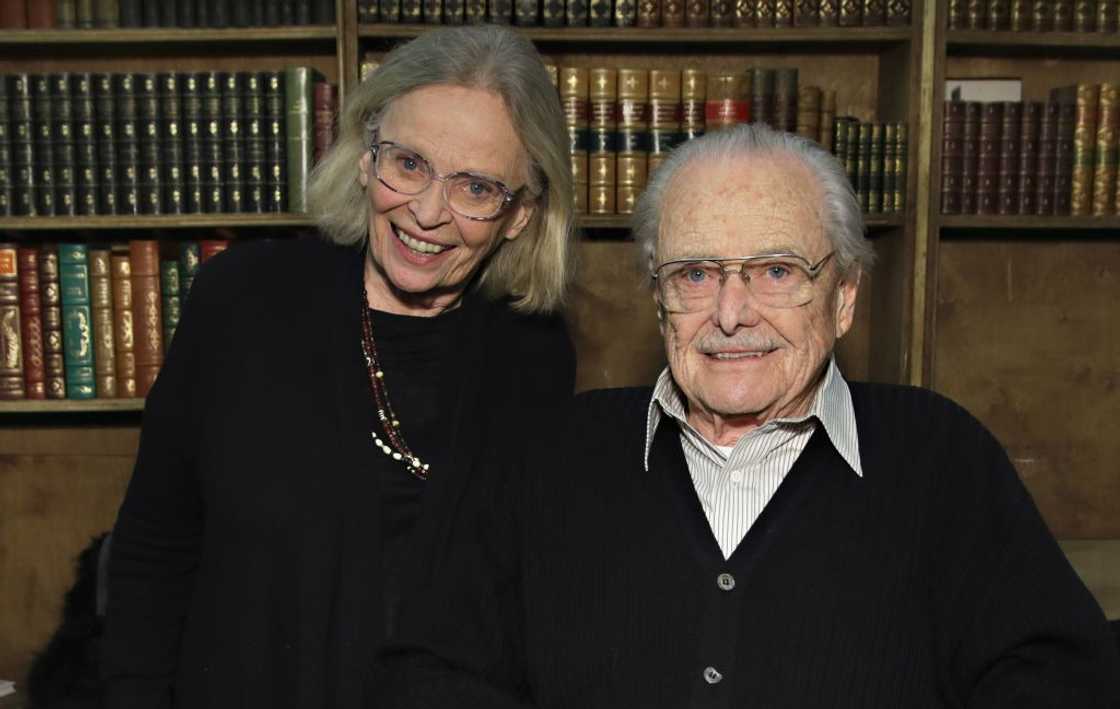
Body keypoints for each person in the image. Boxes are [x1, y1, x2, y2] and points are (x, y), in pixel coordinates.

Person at [379, 124, 1120, 707]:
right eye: (696, 273)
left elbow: (1058, 674)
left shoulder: (940, 457)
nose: (732, 315)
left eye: (775, 271)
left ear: (844, 295)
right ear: (658, 296)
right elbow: (435, 671)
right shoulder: (551, 456)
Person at [102, 25, 576, 709]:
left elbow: (525, 604)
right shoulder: (241, 301)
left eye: (475, 186)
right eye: (408, 163)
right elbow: (153, 547)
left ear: (519, 215)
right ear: (363, 156)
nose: (427, 211)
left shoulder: (535, 351)